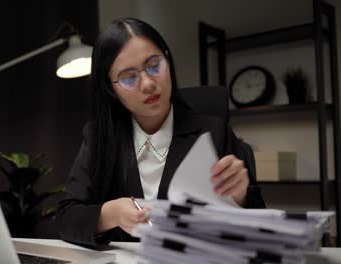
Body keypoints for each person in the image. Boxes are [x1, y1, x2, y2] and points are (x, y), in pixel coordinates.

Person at [56, 18, 265, 246]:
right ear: (111, 89)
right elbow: (67, 217)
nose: (147, 84)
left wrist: (239, 197)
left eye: (155, 66)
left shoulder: (214, 132)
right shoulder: (98, 138)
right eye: (128, 78)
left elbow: (262, 223)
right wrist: (109, 214)